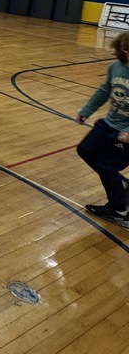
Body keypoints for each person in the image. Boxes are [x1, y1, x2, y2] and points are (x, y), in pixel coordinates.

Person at [76, 30, 129, 228]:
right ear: (123, 50)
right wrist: (87, 110)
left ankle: (120, 212)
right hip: (110, 123)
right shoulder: (116, 68)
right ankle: (121, 185)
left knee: (108, 166)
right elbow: (105, 90)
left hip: (126, 133)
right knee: (85, 149)